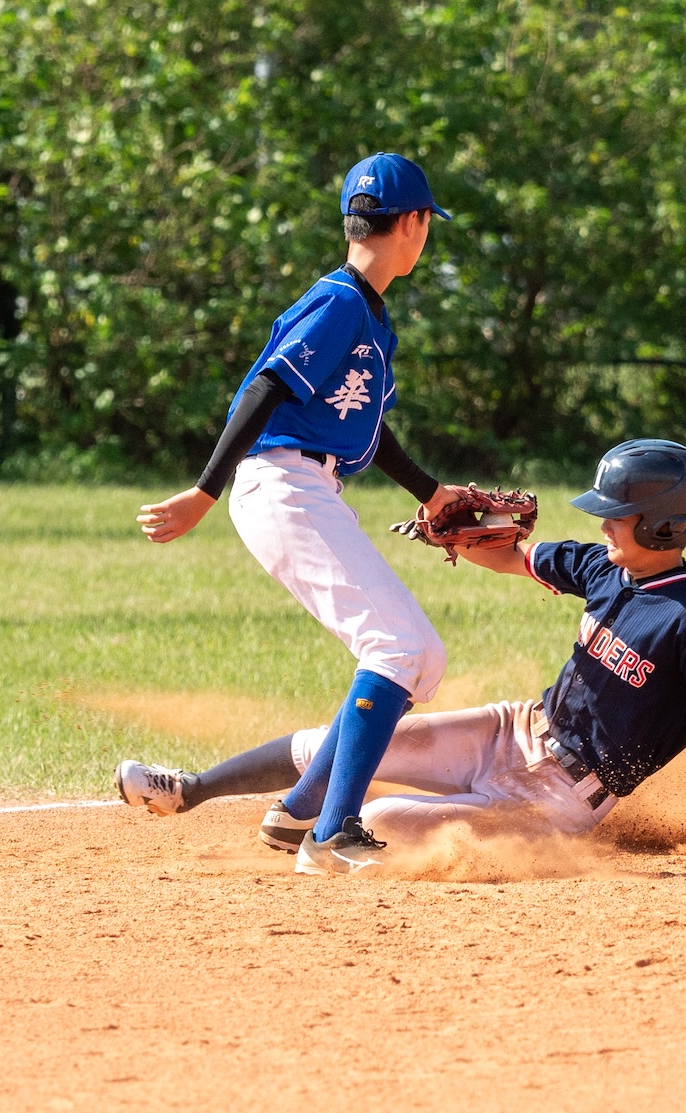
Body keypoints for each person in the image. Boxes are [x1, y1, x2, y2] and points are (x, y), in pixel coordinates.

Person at [117, 439, 686, 872]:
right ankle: (191, 790)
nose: (603, 524)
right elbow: (508, 558)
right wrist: (458, 535)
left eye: (618, 515)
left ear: (665, 525)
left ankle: (311, 832)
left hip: (563, 791)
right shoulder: (602, 568)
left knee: (380, 818)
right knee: (346, 743)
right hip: (513, 729)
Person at [127, 153, 459, 875]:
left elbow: (368, 428)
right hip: (280, 482)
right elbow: (265, 388)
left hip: (307, 485)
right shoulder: (340, 302)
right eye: (428, 222)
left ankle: (301, 810)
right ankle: (333, 833)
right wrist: (204, 491)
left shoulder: (367, 313)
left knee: (419, 658)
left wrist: (431, 493)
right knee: (397, 649)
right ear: (412, 223)